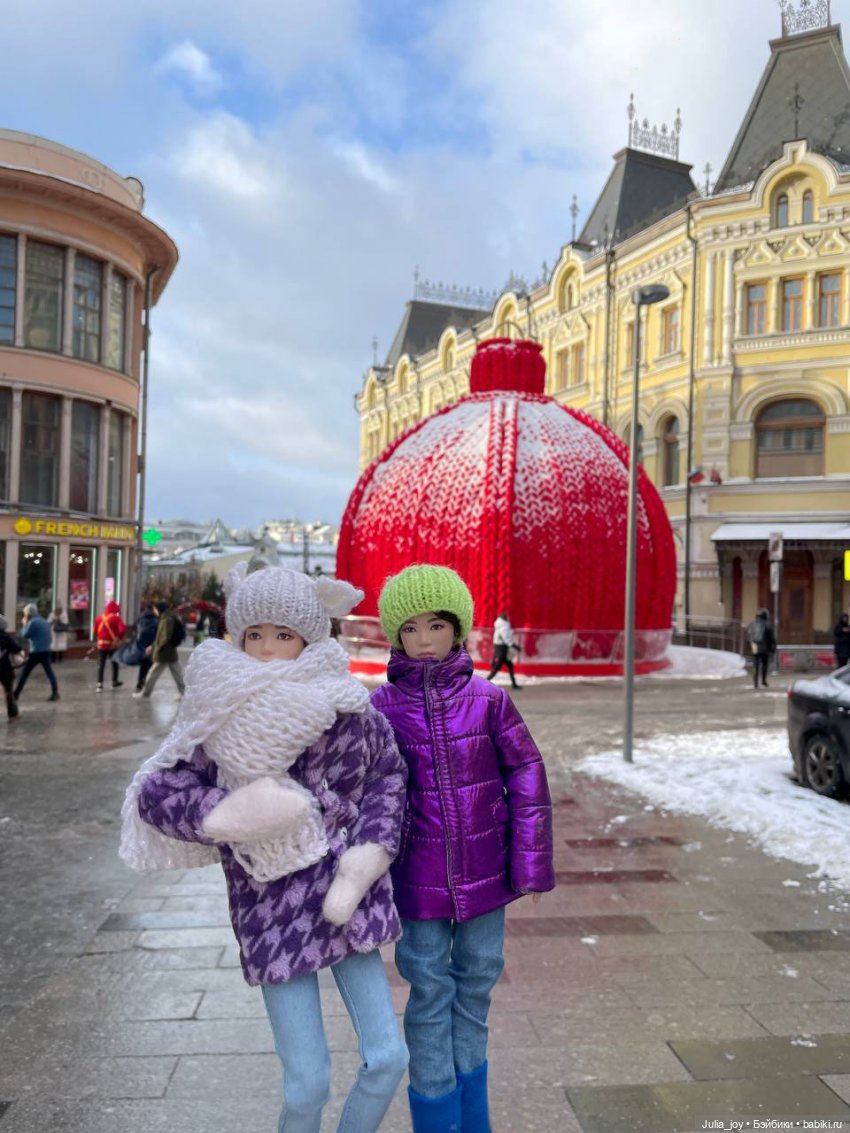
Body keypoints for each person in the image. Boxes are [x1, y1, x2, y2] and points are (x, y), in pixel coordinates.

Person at [120, 564, 409, 1131]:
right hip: (273, 914)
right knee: (308, 1084)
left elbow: (388, 778)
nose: (270, 649)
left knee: (388, 1057)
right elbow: (159, 791)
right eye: (256, 635)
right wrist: (225, 816)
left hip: (349, 901)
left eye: (284, 635)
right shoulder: (219, 710)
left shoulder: (350, 708)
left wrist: (371, 851)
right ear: (239, 637)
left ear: (309, 637)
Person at [372, 564, 555, 1132]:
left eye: (436, 625)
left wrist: (530, 862)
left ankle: (473, 1117)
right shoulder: (380, 708)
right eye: (410, 629)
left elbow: (526, 771)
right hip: (416, 880)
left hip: (488, 872)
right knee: (428, 992)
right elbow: (367, 789)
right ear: (394, 636)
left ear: (459, 628)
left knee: (477, 983)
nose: (424, 640)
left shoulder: (488, 701)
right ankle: (436, 1117)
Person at [138, 601, 186, 699]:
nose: (154, 611)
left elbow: (164, 637)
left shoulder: (166, 619)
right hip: (170, 652)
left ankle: (145, 693)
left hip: (164, 652)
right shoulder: (167, 617)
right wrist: (153, 646)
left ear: (159, 609)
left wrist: (156, 648)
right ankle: (184, 693)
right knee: (177, 674)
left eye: (155, 609)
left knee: (152, 674)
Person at [14, 603, 59, 702]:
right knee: (49, 672)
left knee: (25, 673)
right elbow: (49, 637)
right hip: (46, 651)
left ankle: (16, 693)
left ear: (28, 613)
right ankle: (55, 692)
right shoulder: (44, 621)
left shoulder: (32, 622)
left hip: (35, 652)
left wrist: (24, 624)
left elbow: (25, 635)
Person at [94, 599, 127, 692]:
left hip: (101, 645)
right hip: (112, 645)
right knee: (114, 663)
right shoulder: (116, 618)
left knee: (101, 664)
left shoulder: (99, 618)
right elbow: (122, 629)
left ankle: (99, 684)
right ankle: (114, 681)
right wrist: (119, 638)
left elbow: (95, 630)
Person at [485, 611, 521, 690]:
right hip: (502, 650)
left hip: (501, 649)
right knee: (496, 669)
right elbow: (506, 638)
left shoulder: (499, 625)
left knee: (509, 666)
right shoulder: (503, 626)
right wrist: (514, 646)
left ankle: (514, 684)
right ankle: (484, 683)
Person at [0, 615, 24, 719]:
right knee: (8, 691)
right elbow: (17, 649)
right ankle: (12, 713)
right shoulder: (6, 637)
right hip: (5, 669)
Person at [746, 607, 776, 689]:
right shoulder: (768, 624)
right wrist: (773, 648)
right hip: (765, 647)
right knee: (764, 665)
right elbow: (772, 637)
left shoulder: (752, 624)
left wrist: (749, 646)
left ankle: (755, 683)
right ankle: (763, 680)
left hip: (755, 647)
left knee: (755, 665)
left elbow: (748, 635)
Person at [133, 604, 159, 694]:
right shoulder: (155, 620)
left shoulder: (140, 618)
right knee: (151, 667)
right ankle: (146, 686)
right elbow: (158, 634)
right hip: (151, 646)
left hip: (142, 646)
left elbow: (135, 630)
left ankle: (139, 684)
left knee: (143, 666)